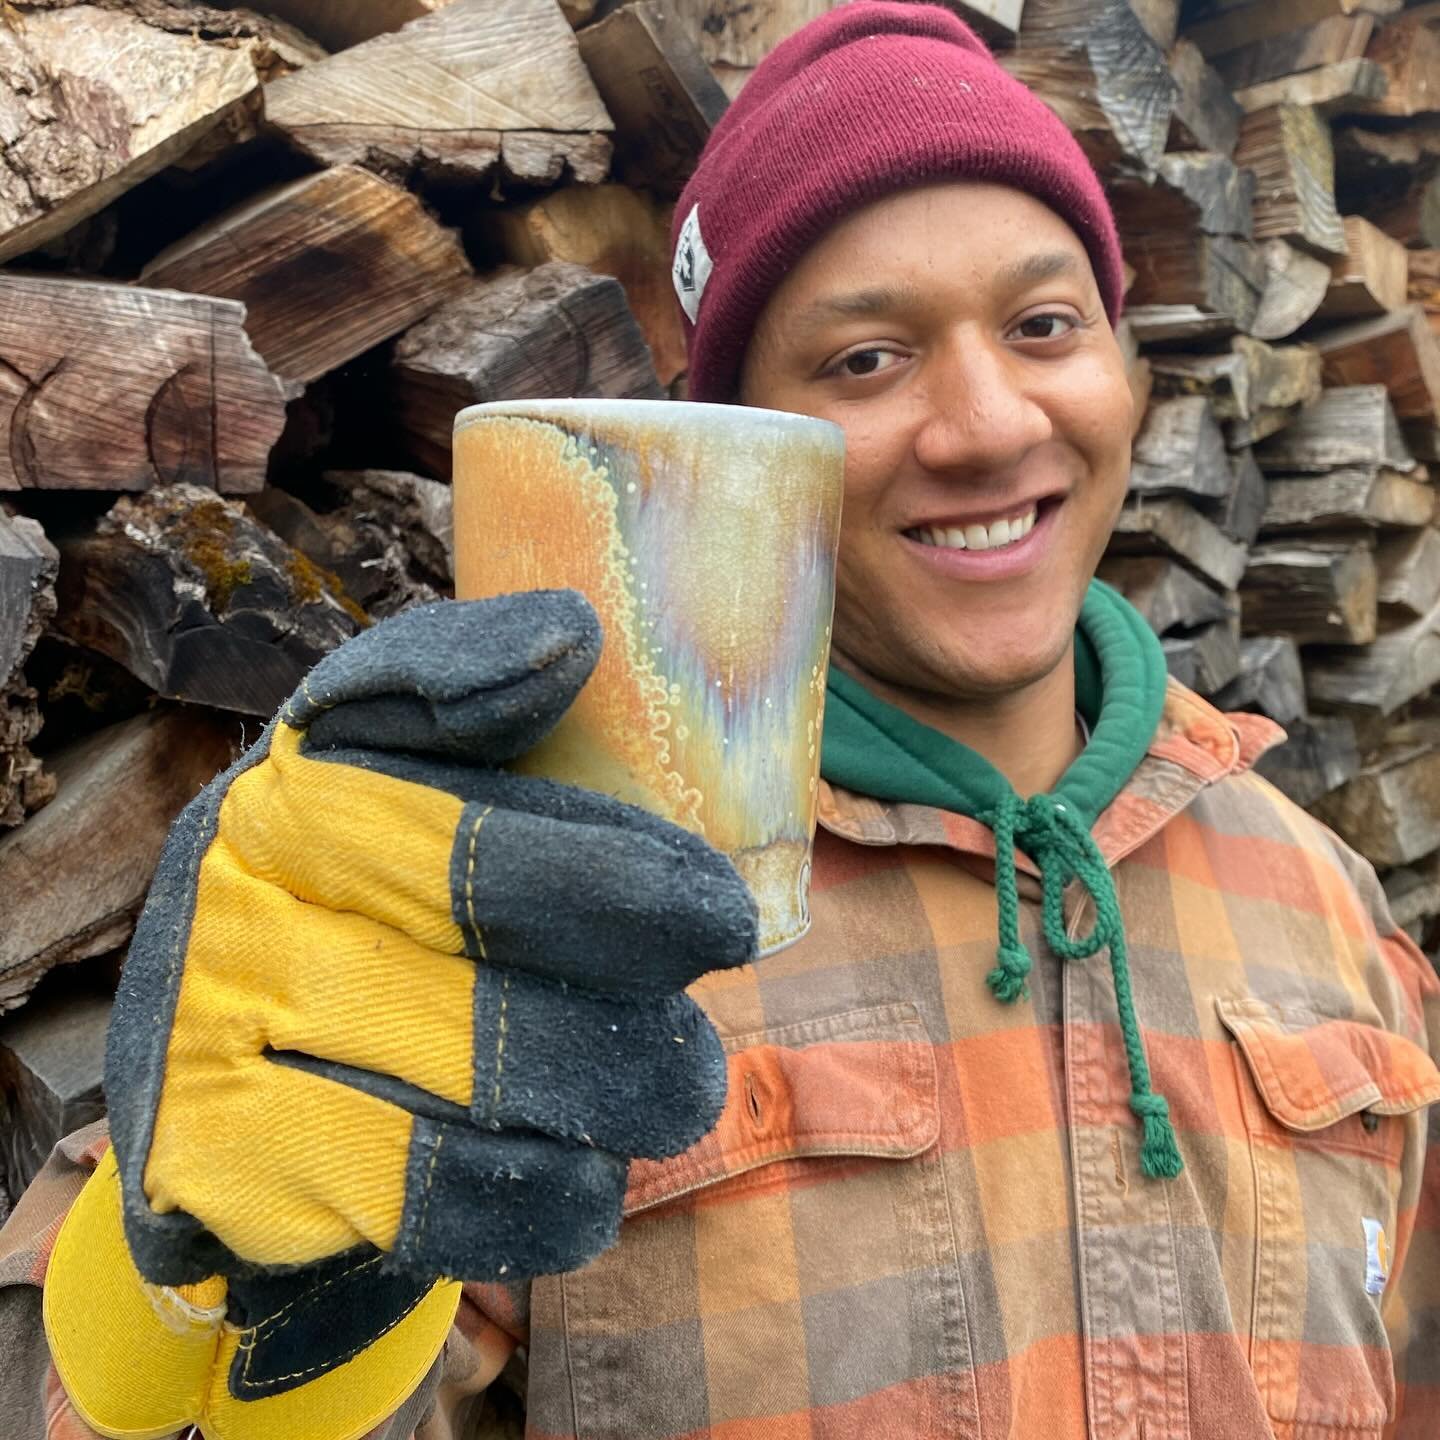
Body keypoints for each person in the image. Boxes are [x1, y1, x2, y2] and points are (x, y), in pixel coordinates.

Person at [3, 4, 1438, 1437]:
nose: (992, 424)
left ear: (1127, 373)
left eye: (1045, 324)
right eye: (863, 359)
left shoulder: (1323, 900)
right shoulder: (565, 920)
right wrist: (199, 1276)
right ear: (750, 456)